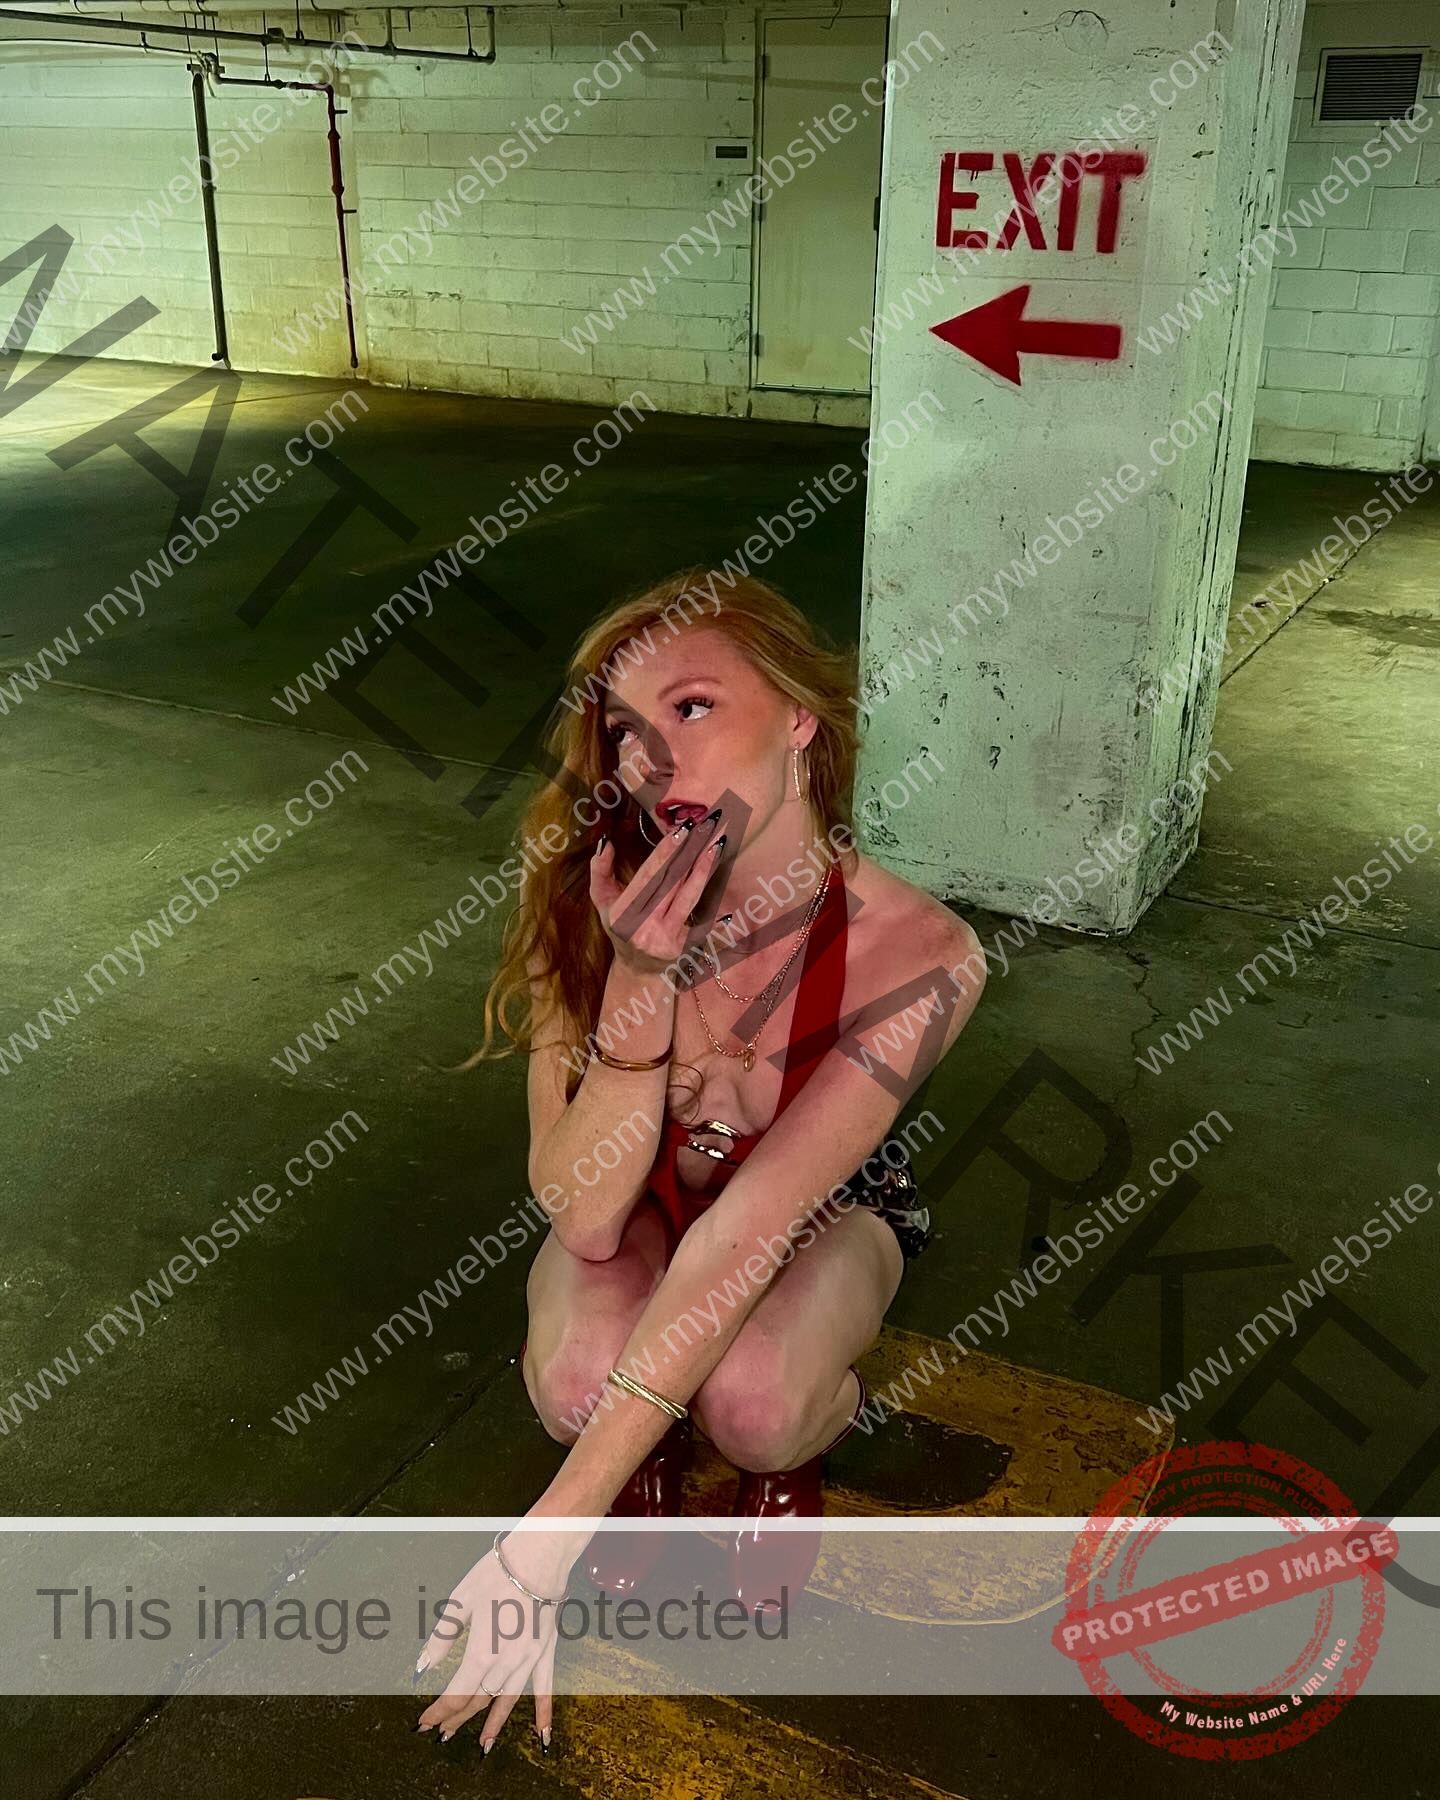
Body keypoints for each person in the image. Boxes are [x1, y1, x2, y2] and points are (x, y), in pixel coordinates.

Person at [416, 569, 986, 1749]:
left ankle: (800, 1445)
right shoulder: (584, 892)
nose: (651, 760)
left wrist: (546, 1535)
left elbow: (747, 1233)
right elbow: (582, 1215)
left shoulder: (925, 954)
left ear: (800, 718)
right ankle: (645, 1443)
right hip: (638, 1201)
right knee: (577, 1387)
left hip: (813, 1214)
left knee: (759, 1405)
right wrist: (639, 977)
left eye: (691, 707)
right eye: (627, 731)